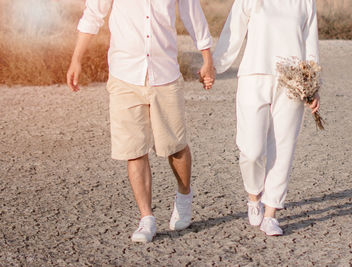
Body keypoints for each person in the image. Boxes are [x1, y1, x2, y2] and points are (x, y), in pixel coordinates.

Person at [67, 0, 215, 243]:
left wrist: (207, 59)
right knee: (134, 150)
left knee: (175, 147)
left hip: (164, 73)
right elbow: (93, 13)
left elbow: (192, 13)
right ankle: (147, 218)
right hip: (124, 74)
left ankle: (184, 195)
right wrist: (76, 59)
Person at [213, 0, 320, 236]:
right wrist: (215, 66)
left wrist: (312, 85)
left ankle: (271, 213)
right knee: (251, 150)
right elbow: (233, 31)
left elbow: (310, 43)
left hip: (292, 81)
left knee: (283, 147)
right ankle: (254, 196)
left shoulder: (305, 2)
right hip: (253, 76)